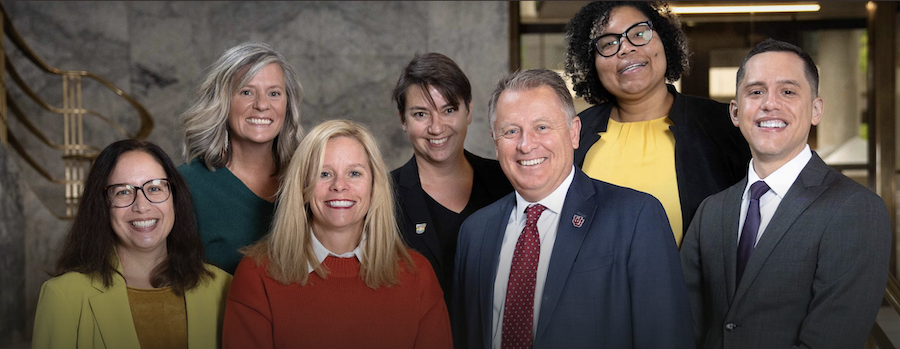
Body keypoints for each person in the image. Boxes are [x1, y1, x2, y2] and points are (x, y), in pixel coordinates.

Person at [452, 69, 693, 348]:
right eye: (511, 131)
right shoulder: (474, 232)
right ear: (495, 142)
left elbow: (667, 338)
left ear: (574, 132)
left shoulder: (636, 217)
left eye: (542, 127)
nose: (526, 145)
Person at [680, 39, 892, 349]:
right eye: (755, 91)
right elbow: (687, 324)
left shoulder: (856, 209)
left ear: (816, 110)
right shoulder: (712, 209)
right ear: (736, 113)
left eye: (788, 92)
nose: (769, 104)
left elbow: (832, 340)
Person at [223, 120, 452, 348]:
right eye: (324, 174)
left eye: (354, 173)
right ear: (302, 185)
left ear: (374, 186)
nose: (339, 186)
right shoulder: (256, 276)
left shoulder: (418, 276)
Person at [565, 1, 750, 246]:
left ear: (664, 42)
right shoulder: (574, 135)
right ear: (593, 64)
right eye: (608, 43)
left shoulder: (724, 125)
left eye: (639, 34)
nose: (626, 49)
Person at [32, 140, 232, 349]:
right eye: (123, 192)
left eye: (154, 188)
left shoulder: (223, 288)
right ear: (102, 206)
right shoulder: (63, 297)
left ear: (174, 197)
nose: (142, 206)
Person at [390, 52, 513, 306]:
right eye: (421, 114)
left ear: (468, 110)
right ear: (403, 120)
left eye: (448, 110)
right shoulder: (383, 196)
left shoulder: (508, 182)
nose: (436, 127)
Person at [179, 41, 304, 274]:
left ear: (288, 105)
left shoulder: (310, 180)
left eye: (274, 93)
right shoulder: (186, 184)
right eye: (247, 92)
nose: (262, 105)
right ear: (223, 101)